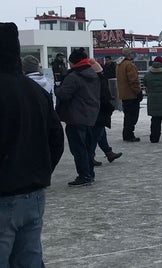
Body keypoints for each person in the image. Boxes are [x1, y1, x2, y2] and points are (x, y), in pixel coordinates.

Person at [0, 22, 64, 267]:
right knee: (30, 259)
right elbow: (56, 138)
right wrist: (39, 172)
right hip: (33, 193)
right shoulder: (35, 91)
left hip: (4, 193)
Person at [55, 47, 100, 186]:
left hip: (75, 116)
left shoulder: (73, 77)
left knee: (78, 148)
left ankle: (84, 175)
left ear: (74, 62)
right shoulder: (93, 74)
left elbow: (64, 94)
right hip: (91, 115)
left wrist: (57, 88)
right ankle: (89, 173)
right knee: (87, 147)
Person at [88, 58, 122, 166]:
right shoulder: (98, 82)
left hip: (98, 111)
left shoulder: (93, 80)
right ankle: (90, 157)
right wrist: (109, 107)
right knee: (95, 135)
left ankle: (108, 152)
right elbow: (103, 97)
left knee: (101, 133)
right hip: (99, 111)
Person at [116, 48, 142, 142]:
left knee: (127, 115)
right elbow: (133, 81)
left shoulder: (119, 65)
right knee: (132, 116)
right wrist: (138, 92)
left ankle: (126, 134)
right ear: (129, 55)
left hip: (124, 94)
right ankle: (129, 135)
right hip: (131, 95)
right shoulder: (129, 65)